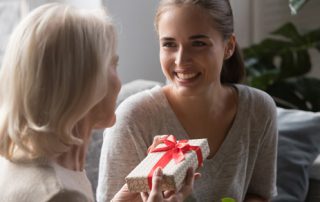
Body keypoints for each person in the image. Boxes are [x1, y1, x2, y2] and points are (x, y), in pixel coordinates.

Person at [0, 3, 196, 202]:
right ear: (83, 84)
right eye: (113, 64)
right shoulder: (60, 193)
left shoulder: (35, 166)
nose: (119, 82)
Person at [97, 0, 278, 201]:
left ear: (228, 47)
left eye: (198, 43)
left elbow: (259, 194)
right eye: (169, 44)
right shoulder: (132, 118)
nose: (181, 60)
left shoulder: (259, 109)